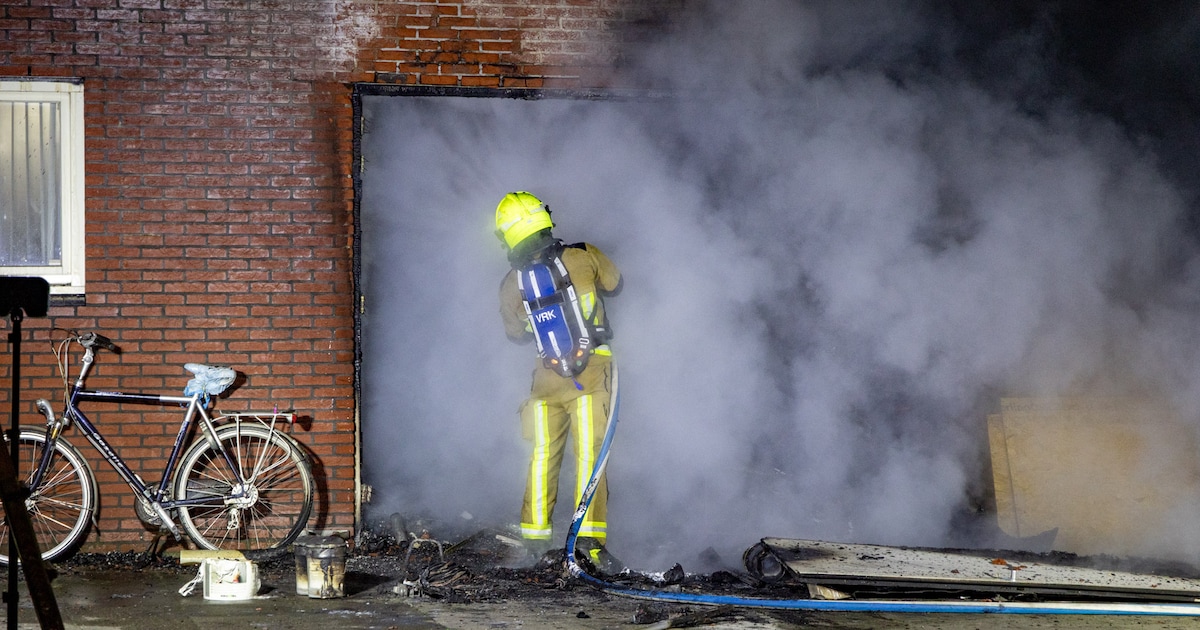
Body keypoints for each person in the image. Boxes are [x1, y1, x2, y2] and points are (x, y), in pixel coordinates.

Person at [495, 191, 624, 573]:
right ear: (543, 219)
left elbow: (515, 334)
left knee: (541, 458)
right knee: (591, 457)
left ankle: (534, 543)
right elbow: (616, 284)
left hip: (545, 379)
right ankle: (589, 545)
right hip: (592, 372)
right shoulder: (583, 255)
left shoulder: (511, 283)